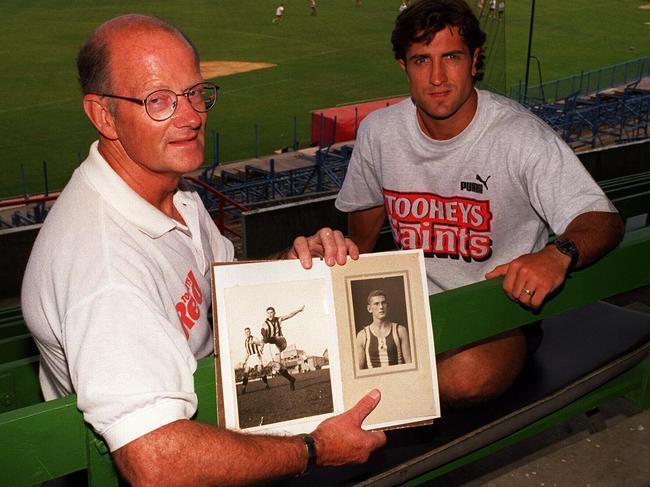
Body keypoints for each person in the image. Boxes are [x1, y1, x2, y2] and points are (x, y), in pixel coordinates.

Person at [21, 14, 385, 485]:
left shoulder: (170, 194)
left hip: (218, 410)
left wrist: (292, 263)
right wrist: (315, 450)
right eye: (159, 101)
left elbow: (222, 280)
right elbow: (156, 464)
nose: (192, 116)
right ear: (103, 115)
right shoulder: (104, 267)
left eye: (195, 92)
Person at [335, 0, 623, 408]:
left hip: (498, 311)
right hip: (409, 308)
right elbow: (361, 231)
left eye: (451, 57)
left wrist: (557, 254)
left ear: (474, 60)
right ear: (404, 66)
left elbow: (603, 219)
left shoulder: (520, 136)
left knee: (465, 377)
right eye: (422, 60)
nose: (436, 77)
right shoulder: (379, 133)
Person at [355, 290, 411, 369]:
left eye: (383, 303)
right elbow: (359, 369)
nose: (381, 307)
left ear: (387, 306)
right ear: (369, 309)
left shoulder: (400, 331)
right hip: (374, 380)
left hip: (398, 379)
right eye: (376, 304)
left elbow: (409, 363)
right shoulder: (362, 335)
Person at [260, 305, 305, 390]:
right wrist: (262, 346)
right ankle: (291, 379)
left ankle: (269, 339)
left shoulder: (279, 319)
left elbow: (289, 315)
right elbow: (263, 335)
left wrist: (298, 310)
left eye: (271, 312)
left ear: (274, 313)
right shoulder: (265, 324)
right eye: (268, 313)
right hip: (273, 346)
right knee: (279, 368)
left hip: (281, 341)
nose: (270, 314)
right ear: (266, 314)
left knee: (272, 338)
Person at [241, 327, 269, 394]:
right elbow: (247, 352)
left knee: (260, 370)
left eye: (248, 332)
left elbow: (261, 343)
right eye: (246, 332)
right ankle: (243, 388)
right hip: (250, 357)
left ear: (250, 332)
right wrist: (244, 360)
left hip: (256, 356)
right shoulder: (245, 341)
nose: (247, 333)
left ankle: (266, 384)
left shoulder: (253, 338)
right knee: (246, 372)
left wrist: (254, 342)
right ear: (244, 333)